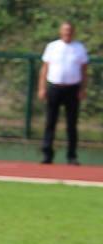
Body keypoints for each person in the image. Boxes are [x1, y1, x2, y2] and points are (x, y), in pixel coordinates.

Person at [39, 21, 88, 165]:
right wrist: (41, 88)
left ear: (73, 32)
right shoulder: (52, 47)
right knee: (50, 122)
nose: (67, 33)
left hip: (73, 89)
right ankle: (47, 154)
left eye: (70, 30)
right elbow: (44, 69)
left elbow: (84, 71)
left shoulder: (79, 48)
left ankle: (71, 156)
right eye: (65, 30)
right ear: (61, 32)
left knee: (71, 124)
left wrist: (83, 89)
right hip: (54, 87)